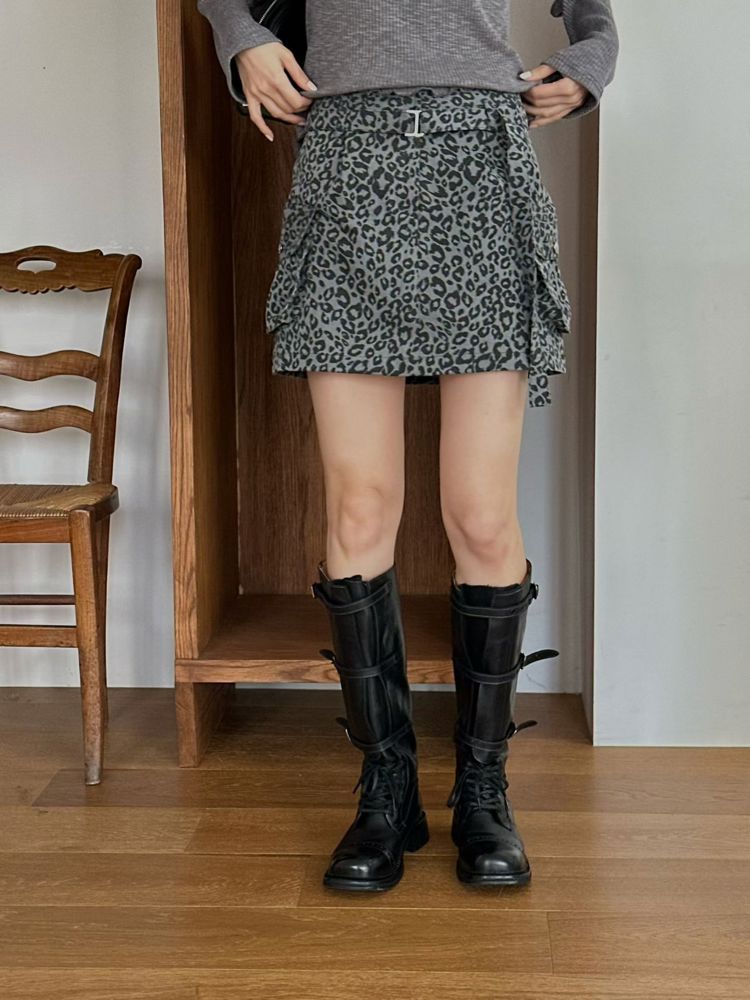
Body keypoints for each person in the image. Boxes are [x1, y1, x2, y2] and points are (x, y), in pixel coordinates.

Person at [197, 0, 619, 892]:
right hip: (347, 163)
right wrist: (241, 36)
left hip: (480, 167)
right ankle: (386, 789)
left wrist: (592, 62)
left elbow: (595, 18)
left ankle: (483, 790)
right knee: (358, 506)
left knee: (481, 514)